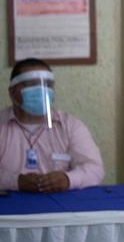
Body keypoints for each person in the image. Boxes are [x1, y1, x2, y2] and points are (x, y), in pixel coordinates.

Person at [0, 58, 104, 192]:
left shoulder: (71, 126)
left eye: (48, 85)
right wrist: (16, 182)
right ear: (12, 92)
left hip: (62, 207)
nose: (42, 91)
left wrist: (68, 179)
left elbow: (95, 169)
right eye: (32, 84)